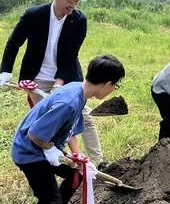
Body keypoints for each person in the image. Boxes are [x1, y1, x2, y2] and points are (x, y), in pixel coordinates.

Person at [0, 0, 104, 165]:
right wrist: (5, 71)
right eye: (70, 0)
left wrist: (59, 84)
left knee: (83, 117)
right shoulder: (34, 15)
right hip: (37, 79)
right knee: (51, 121)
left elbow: (71, 54)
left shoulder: (78, 20)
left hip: (67, 78)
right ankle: (59, 161)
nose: (73, 5)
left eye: (76, 1)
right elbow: (14, 42)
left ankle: (98, 161)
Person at [12, 55, 125, 204]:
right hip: (30, 153)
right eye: (115, 86)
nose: (113, 90)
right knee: (51, 200)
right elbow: (34, 134)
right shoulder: (69, 103)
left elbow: (70, 130)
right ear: (107, 84)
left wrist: (79, 158)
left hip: (45, 148)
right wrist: (51, 150)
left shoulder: (79, 91)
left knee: (79, 173)